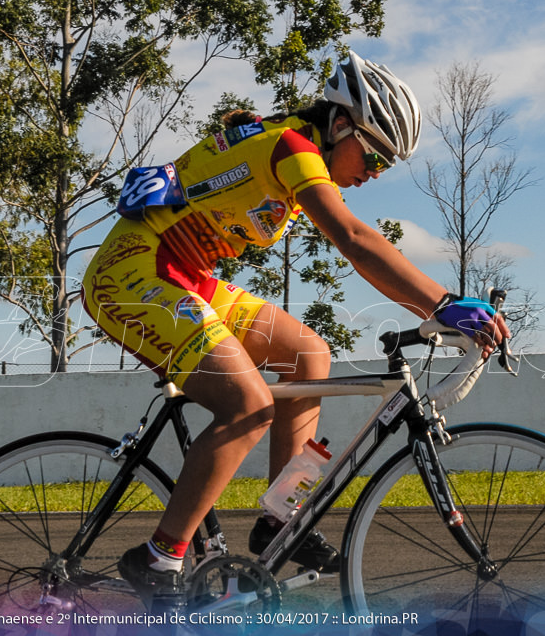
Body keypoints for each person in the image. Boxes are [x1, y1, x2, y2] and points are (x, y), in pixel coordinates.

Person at [81, 51, 510, 605]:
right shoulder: (294, 148)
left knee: (309, 355)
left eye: (385, 167)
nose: (373, 175)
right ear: (339, 126)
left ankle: (281, 520)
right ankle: (160, 556)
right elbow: (354, 239)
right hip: (132, 274)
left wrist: (433, 308)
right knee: (250, 406)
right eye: (373, 157)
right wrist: (443, 302)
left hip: (185, 276)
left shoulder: (289, 138)